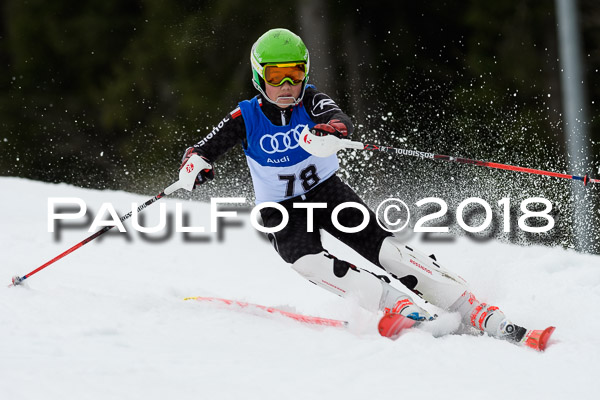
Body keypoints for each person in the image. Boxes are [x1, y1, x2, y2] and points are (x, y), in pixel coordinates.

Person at [180, 28, 552, 349]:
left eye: (294, 74)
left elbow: (339, 118)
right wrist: (194, 163)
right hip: (281, 209)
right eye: (277, 76)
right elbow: (205, 148)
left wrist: (332, 131)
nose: (287, 85)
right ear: (260, 76)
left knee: (387, 252)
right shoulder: (246, 115)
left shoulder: (310, 100)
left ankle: (471, 308)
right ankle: (394, 304)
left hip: (328, 193)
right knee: (307, 262)